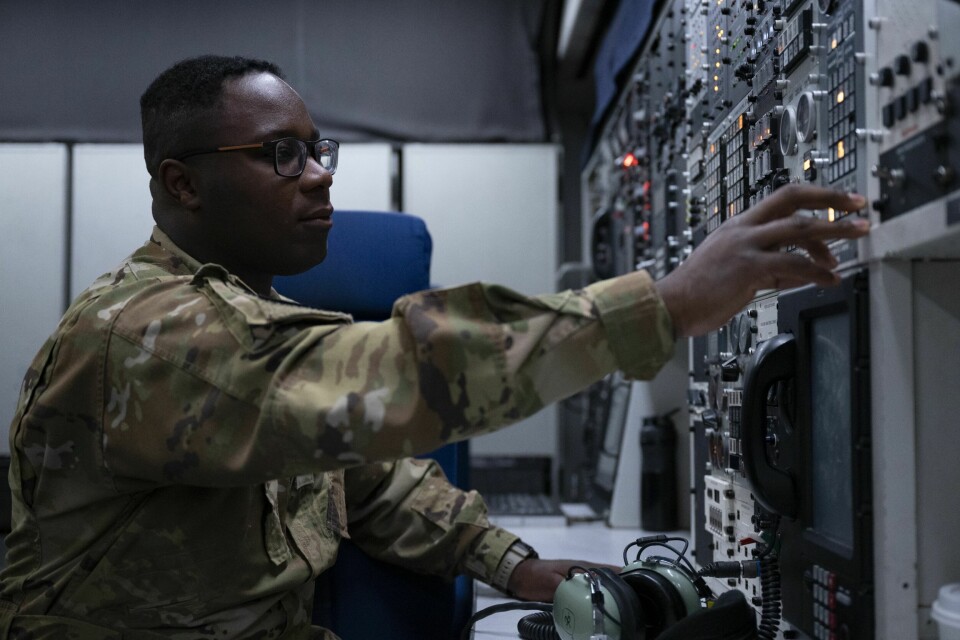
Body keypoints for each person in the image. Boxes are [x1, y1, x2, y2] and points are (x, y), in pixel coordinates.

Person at [0, 54, 868, 639]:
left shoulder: (255, 321)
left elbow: (368, 479)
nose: (319, 172)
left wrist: (518, 569)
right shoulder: (147, 337)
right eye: (280, 154)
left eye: (317, 149)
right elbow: (388, 381)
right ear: (182, 184)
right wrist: (669, 304)